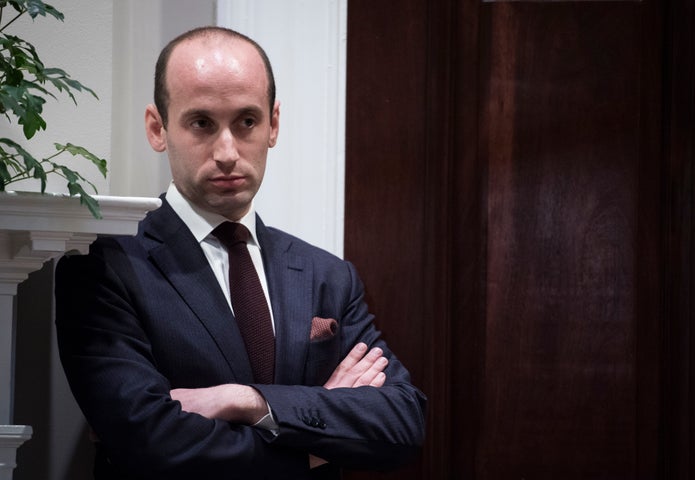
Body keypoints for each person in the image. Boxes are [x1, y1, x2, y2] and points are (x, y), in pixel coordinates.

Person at [54, 26, 426, 480]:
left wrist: (247, 400)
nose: (227, 152)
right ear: (158, 128)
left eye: (246, 122)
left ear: (273, 124)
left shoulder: (327, 275)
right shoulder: (101, 265)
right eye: (202, 123)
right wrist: (320, 442)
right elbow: (149, 443)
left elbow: (401, 421)